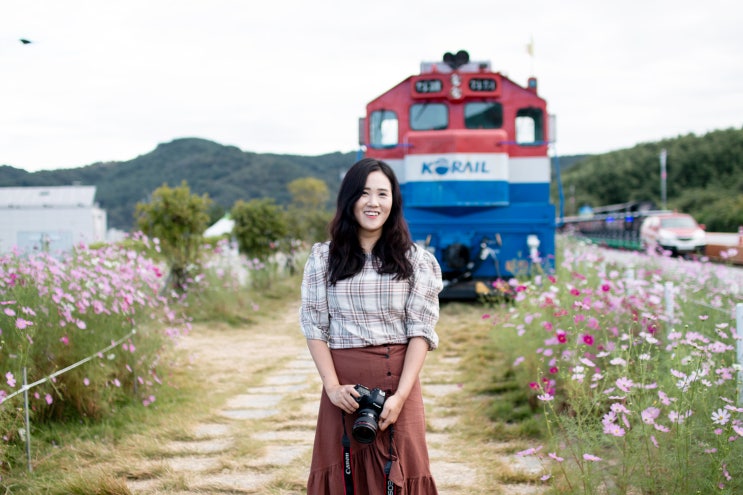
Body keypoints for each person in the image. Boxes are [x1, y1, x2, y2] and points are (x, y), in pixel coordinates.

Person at [300, 157, 442, 494]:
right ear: (349, 200)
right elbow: (315, 326)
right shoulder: (323, 258)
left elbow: (421, 331)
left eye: (383, 193)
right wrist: (333, 389)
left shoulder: (416, 260)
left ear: (393, 202)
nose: (373, 202)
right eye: (364, 193)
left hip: (398, 385)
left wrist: (401, 396)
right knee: (344, 471)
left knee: (402, 470)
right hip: (344, 390)